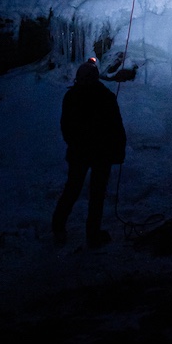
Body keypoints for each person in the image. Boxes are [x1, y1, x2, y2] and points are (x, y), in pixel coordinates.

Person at [51, 57, 127, 248]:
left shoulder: (72, 97)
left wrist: (75, 144)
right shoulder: (105, 96)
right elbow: (116, 127)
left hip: (82, 153)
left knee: (74, 189)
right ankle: (92, 234)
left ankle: (59, 226)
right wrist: (118, 151)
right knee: (96, 194)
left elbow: (66, 127)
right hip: (100, 153)